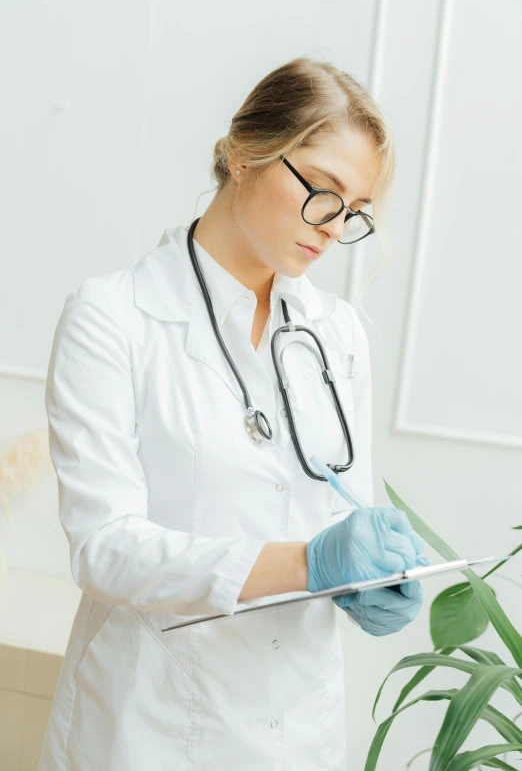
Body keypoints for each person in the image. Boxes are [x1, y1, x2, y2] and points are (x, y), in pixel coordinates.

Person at [38, 56, 428, 771]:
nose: (333, 229)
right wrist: (310, 563)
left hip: (297, 725)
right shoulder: (114, 317)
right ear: (246, 155)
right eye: (323, 193)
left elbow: (346, 513)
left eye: (354, 212)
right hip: (150, 724)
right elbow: (106, 547)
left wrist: (366, 579)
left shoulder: (336, 334)